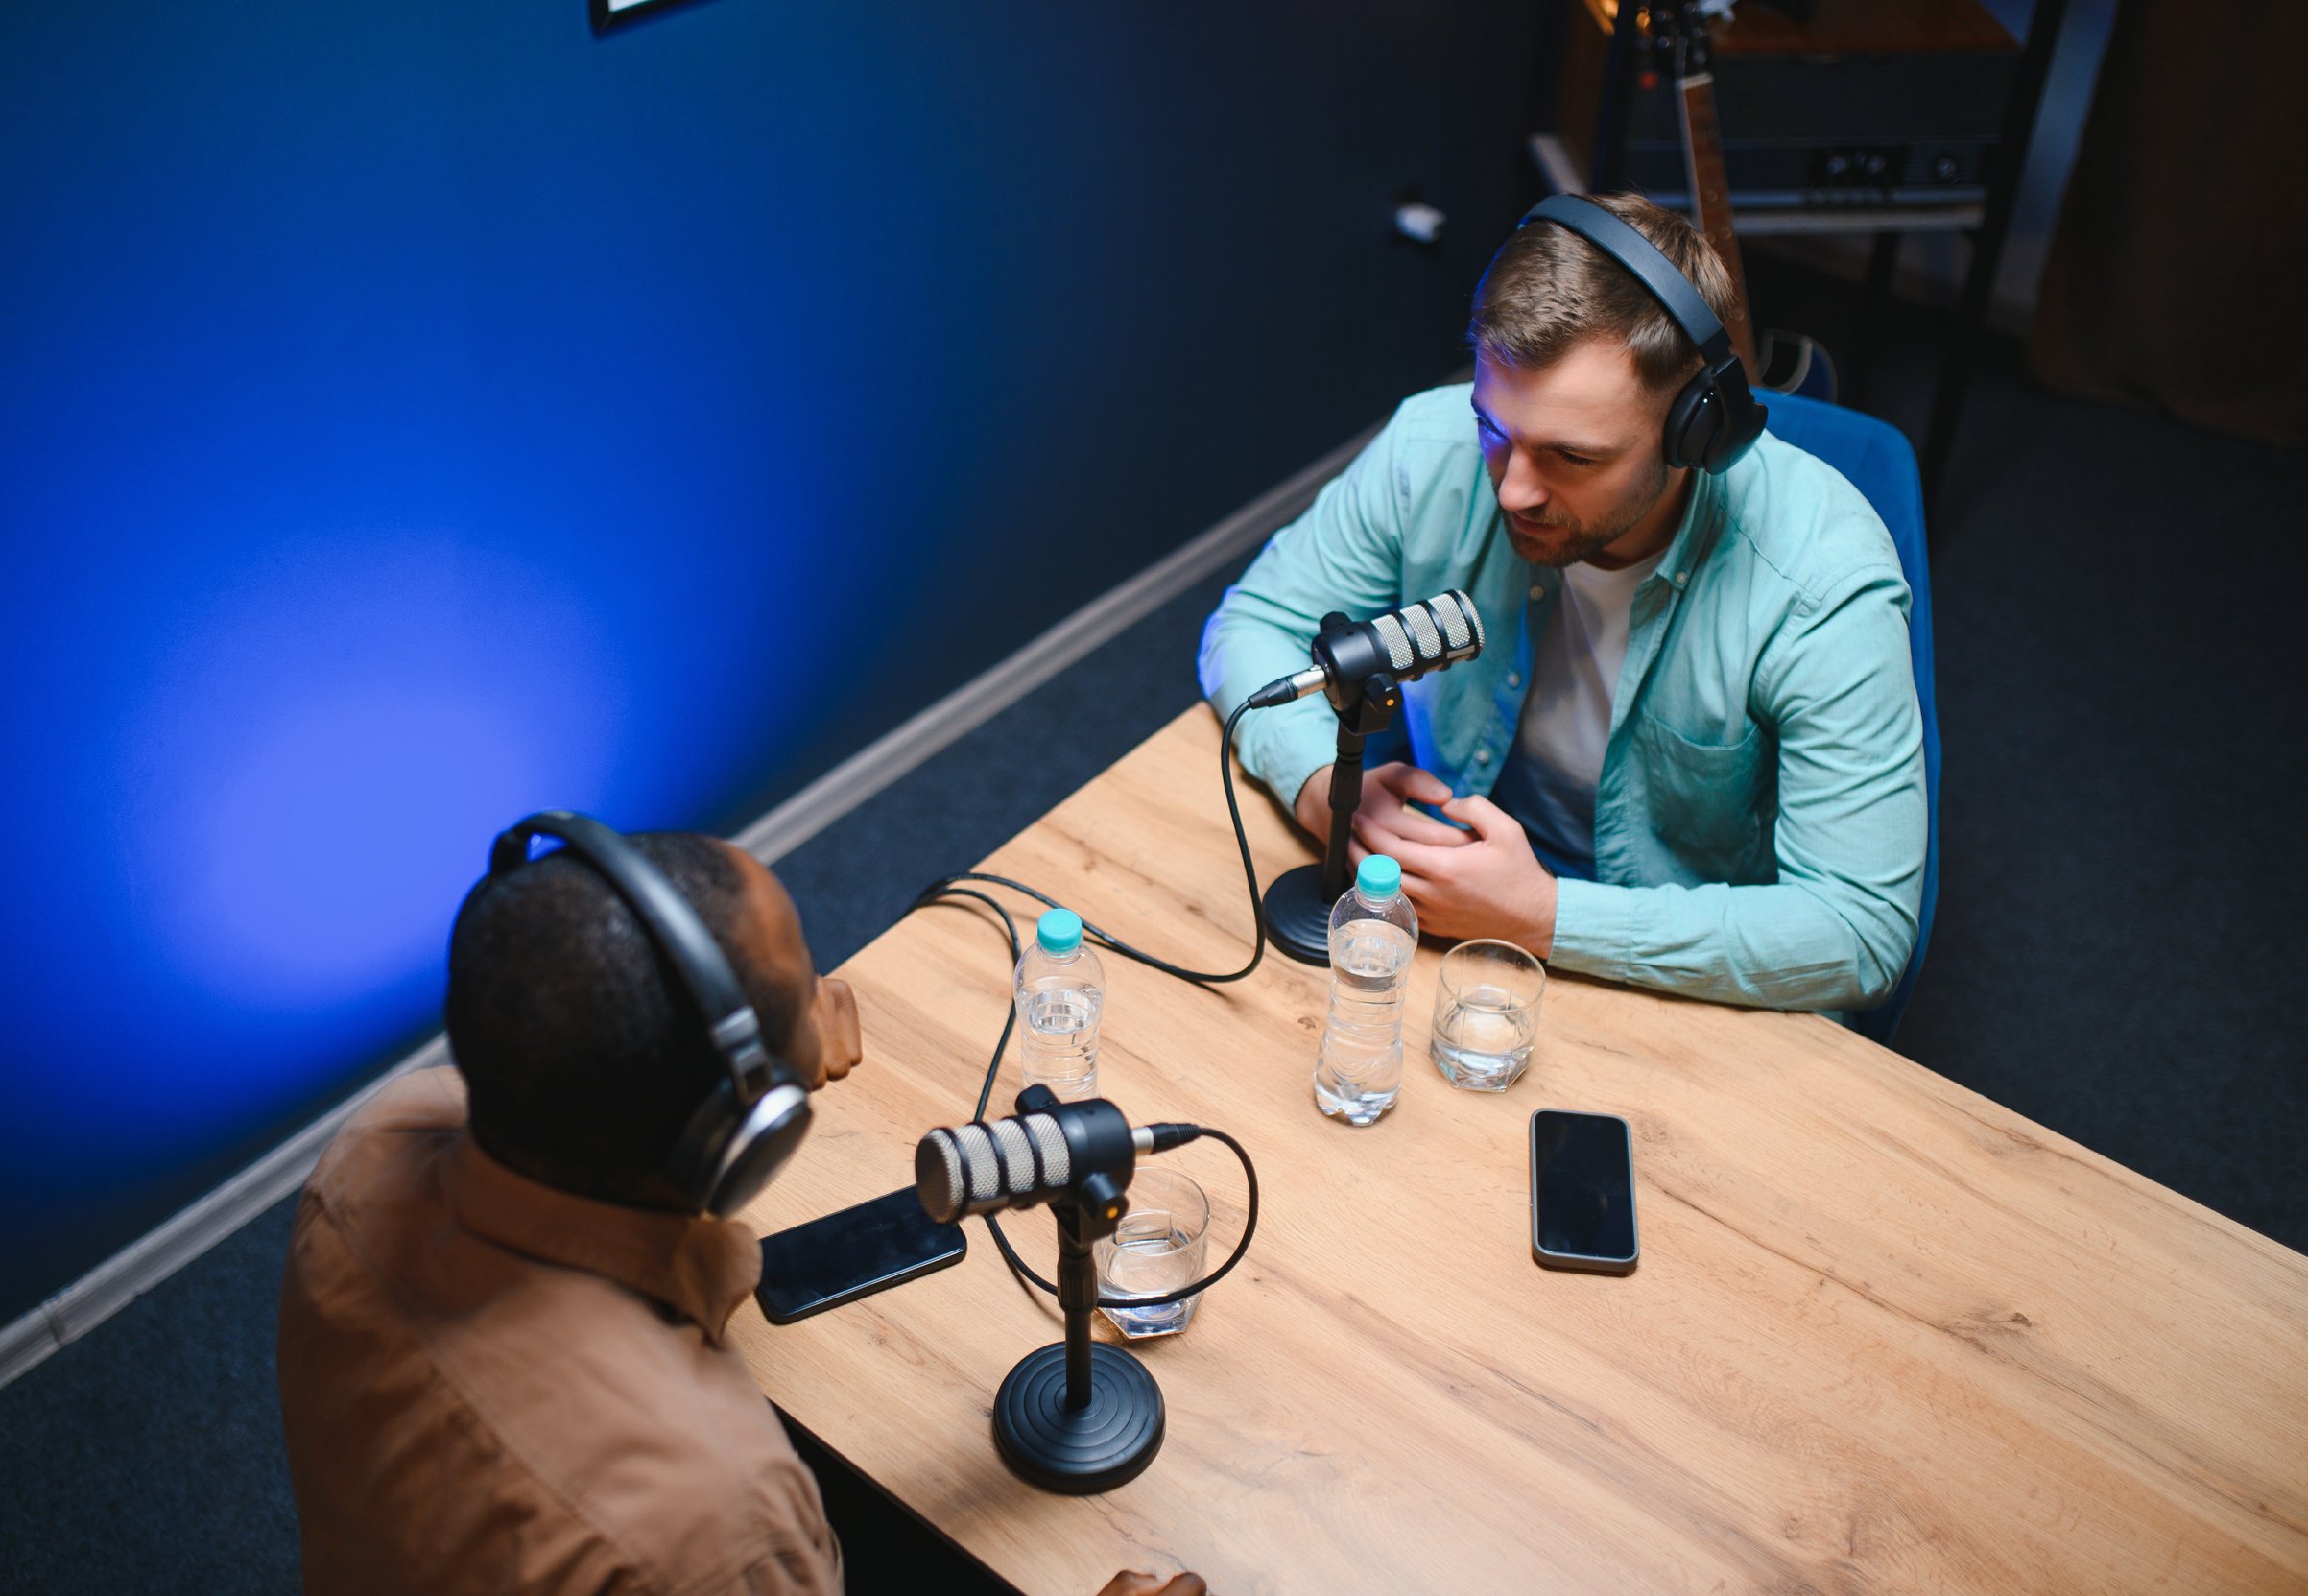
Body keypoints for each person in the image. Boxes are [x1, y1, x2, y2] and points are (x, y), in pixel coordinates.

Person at [276, 827, 1205, 1596]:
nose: (833, 997)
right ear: (741, 1126)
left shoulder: (371, 1146)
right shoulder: (723, 1524)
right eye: (804, 981)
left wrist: (778, 1039)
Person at [1200, 193, 1925, 1013]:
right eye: (1494, 429)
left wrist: (1545, 916)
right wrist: (1318, 786)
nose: (1513, 490)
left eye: (1572, 457)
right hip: (1453, 913)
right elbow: (1251, 624)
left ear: (1695, 433)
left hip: (1682, 968)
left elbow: (1860, 928)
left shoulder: (1820, 582)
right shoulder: (1427, 449)